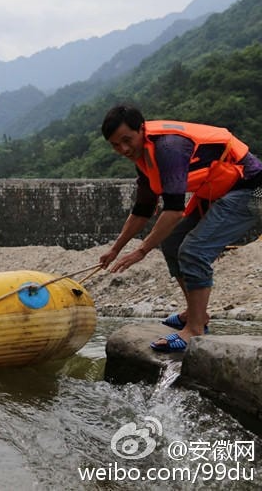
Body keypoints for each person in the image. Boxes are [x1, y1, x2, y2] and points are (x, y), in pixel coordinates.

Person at [98, 105, 262, 352]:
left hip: (253, 190)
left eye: (126, 140)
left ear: (142, 129)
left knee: (193, 251)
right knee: (173, 242)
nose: (123, 149)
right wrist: (115, 250)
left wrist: (141, 252)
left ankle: (194, 329)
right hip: (220, 190)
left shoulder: (168, 149)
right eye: (115, 145)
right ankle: (198, 315)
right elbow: (143, 209)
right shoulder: (144, 158)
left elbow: (173, 211)